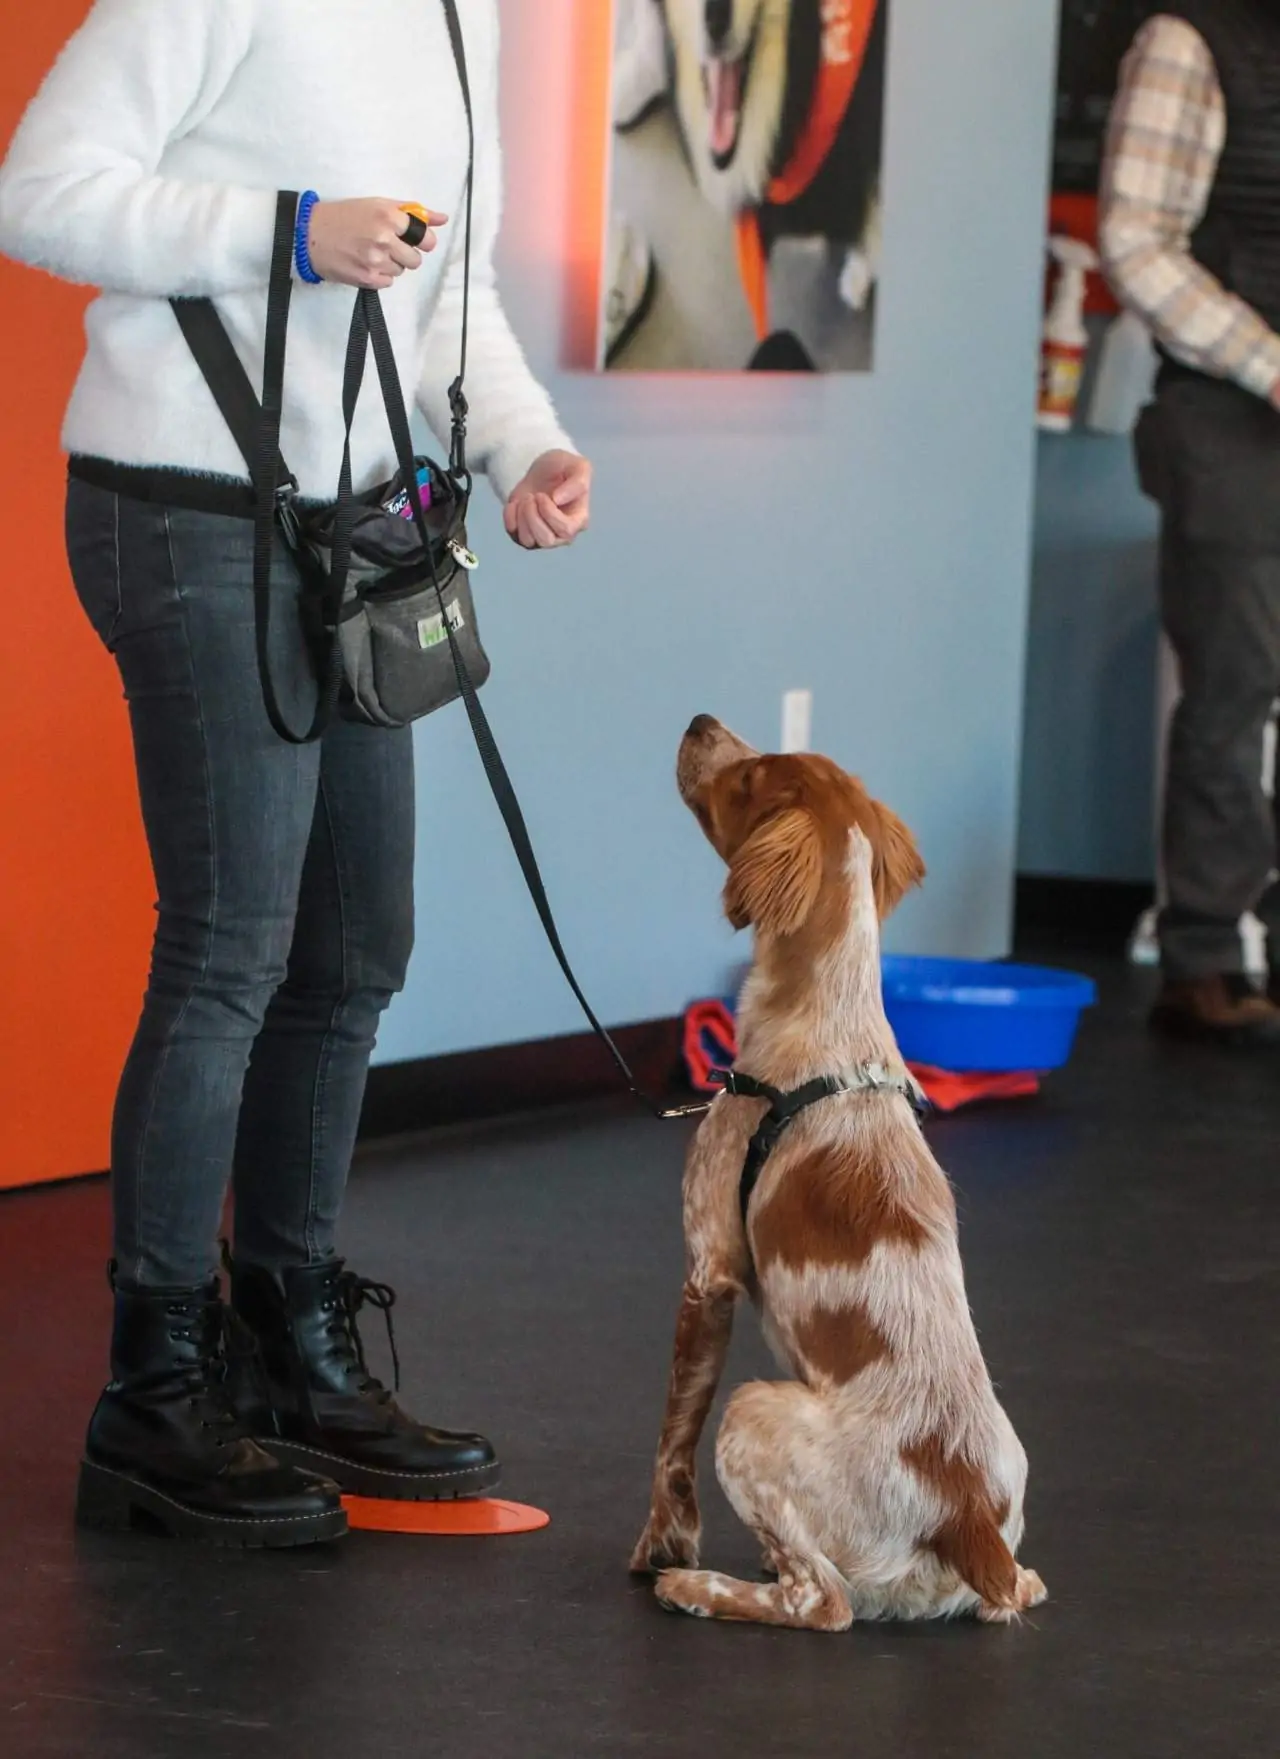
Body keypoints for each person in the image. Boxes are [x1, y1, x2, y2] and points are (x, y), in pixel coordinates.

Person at [0, 0, 592, 1546]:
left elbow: (450, 298)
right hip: (183, 504)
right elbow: (38, 190)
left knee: (351, 949)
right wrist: (284, 231)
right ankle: (152, 1389)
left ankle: (289, 1347)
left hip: (352, 533)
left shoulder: (465, 23)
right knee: (232, 952)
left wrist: (526, 443)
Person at [1100, 2, 1280, 1046]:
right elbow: (1135, 240)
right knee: (1237, 685)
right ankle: (1205, 958)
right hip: (1224, 413)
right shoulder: (1191, 42)